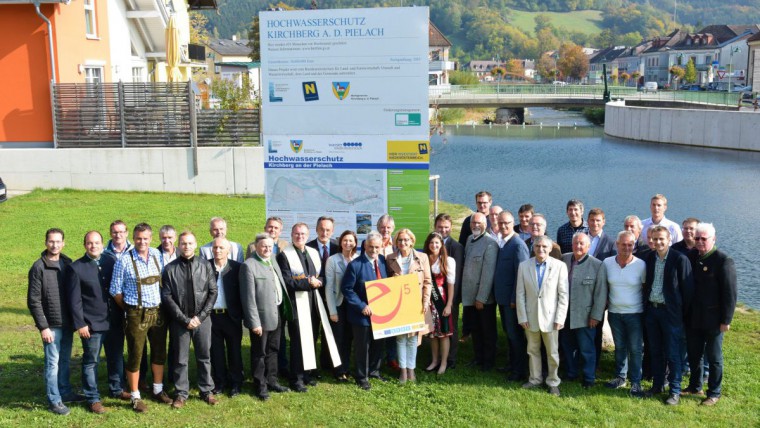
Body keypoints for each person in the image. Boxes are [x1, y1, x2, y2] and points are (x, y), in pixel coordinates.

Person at [109, 223, 170, 413]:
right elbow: (115, 290)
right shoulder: (124, 260)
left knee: (159, 351)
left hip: (158, 311)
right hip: (136, 312)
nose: (142, 242)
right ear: (133, 238)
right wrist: (129, 309)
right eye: (138, 238)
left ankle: (157, 389)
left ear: (151, 238)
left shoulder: (156, 255)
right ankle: (135, 396)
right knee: (136, 354)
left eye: (145, 238)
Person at [161, 231, 218, 408]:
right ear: (178, 245)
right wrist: (184, 319)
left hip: (202, 320)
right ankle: (181, 393)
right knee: (180, 359)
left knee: (204, 356)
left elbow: (213, 292)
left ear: (195, 245)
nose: (186, 246)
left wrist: (200, 317)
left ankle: (206, 390)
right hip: (180, 322)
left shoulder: (205, 266)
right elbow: (167, 296)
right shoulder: (170, 269)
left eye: (190, 243)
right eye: (183, 243)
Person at [64, 231, 117, 414]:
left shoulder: (110, 261)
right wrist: (80, 323)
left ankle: (116, 389)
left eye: (96, 243)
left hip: (113, 320)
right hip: (91, 324)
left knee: (115, 356)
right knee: (90, 361)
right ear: (84, 245)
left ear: (103, 244)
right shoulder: (76, 267)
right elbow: (74, 300)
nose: (93, 246)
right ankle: (92, 398)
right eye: (89, 243)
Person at [684, 223, 737, 406]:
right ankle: (694, 386)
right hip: (693, 317)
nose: (699, 242)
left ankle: (714, 392)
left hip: (713, 320)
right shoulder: (691, 256)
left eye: (703, 239)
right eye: (697, 238)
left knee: (714, 358)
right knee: (694, 354)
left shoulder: (723, 260)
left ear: (713, 239)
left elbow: (730, 293)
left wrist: (726, 320)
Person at [27, 228, 79, 415]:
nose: (54, 245)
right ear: (45, 242)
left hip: (67, 324)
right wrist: (43, 327)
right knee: (52, 363)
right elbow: (33, 300)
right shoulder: (38, 267)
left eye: (58, 241)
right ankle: (54, 400)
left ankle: (64, 392)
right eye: (51, 241)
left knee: (64, 360)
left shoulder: (68, 264)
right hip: (51, 326)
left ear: (63, 243)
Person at [643, 226, 693, 405]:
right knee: (655, 351)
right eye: (655, 239)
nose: (658, 242)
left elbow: (687, 292)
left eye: (661, 239)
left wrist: (680, 314)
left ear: (669, 239)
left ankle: (675, 391)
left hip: (671, 314)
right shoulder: (649, 258)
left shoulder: (680, 259)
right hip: (652, 311)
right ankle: (657, 385)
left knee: (673, 354)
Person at [240, 233, 293, 401]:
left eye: (270, 246)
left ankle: (272, 380)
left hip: (276, 315)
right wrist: (254, 323)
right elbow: (248, 298)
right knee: (260, 353)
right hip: (260, 320)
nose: (267, 249)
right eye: (264, 246)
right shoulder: (249, 266)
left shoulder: (274, 259)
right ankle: (260, 385)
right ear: (256, 246)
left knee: (274, 350)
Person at [516, 235, 569, 397]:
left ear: (550, 248)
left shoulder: (559, 266)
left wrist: (560, 318)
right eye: (538, 246)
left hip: (551, 318)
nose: (541, 249)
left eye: (544, 246)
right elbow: (520, 293)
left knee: (552, 353)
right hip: (530, 317)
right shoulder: (524, 266)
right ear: (533, 247)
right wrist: (522, 316)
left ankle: (553, 381)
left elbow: (563, 294)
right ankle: (535, 379)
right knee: (532, 350)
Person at [276, 223, 323, 393]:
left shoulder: (313, 253)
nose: (299, 236)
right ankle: (296, 378)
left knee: (310, 339)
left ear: (308, 235)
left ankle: (307, 373)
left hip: (313, 304)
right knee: (298, 342)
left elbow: (320, 275)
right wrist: (309, 283)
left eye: (303, 233)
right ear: (291, 234)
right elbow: (287, 282)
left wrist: (320, 282)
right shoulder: (284, 256)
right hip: (296, 304)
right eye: (296, 233)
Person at [341, 232, 389, 390]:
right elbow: (347, 289)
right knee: (363, 346)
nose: (374, 250)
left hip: (381, 313)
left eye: (377, 247)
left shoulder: (382, 261)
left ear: (381, 247)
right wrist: (361, 306)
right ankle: (361, 376)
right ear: (364, 246)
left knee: (378, 344)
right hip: (362, 315)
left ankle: (374, 371)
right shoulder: (355, 265)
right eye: (370, 247)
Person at [560, 233, 607, 388]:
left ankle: (589, 378)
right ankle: (571, 373)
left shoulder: (597, 265)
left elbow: (601, 294)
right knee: (568, 346)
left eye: (582, 244)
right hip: (565, 314)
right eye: (576, 243)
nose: (578, 246)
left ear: (588, 246)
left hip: (585, 316)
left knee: (587, 349)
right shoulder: (564, 259)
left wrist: (596, 315)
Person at [603, 231, 647, 397]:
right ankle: (620, 377)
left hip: (634, 313)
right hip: (614, 313)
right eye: (623, 244)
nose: (627, 248)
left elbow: (644, 288)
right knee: (620, 347)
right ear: (617, 244)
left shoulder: (640, 265)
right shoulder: (607, 263)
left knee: (635, 349)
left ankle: (636, 382)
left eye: (630, 245)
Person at [386, 229, 432, 383]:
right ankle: (403, 370)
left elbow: (427, 282)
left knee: (413, 338)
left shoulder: (422, 258)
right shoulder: (390, 258)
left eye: (406, 240)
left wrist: (425, 302)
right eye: (400, 240)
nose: (403, 243)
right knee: (400, 337)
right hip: (398, 304)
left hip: (416, 303)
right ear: (396, 242)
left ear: (412, 241)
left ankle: (411, 370)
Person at [491, 211, 530, 381]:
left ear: (512, 222)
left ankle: (519, 371)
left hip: (512, 301)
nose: (503, 226)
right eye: (500, 223)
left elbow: (521, 276)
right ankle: (512, 365)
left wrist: (515, 299)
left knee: (515, 336)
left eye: (506, 223)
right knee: (509, 334)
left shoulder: (518, 245)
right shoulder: (503, 242)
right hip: (503, 298)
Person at [461, 213, 499, 371]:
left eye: (479, 222)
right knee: (475, 329)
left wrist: (481, 298)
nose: (475, 225)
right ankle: (478, 357)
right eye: (472, 223)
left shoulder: (491, 243)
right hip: (470, 297)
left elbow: (488, 274)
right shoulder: (470, 239)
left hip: (483, 299)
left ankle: (488, 361)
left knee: (487, 331)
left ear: (486, 223)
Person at [208, 238, 244, 397]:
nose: (218, 250)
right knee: (216, 352)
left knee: (234, 351)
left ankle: (236, 383)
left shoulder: (237, 268)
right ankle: (219, 382)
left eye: (221, 247)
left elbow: (244, 292)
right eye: (215, 247)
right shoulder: (205, 266)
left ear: (228, 250)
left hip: (232, 316)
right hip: (212, 317)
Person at [325, 230, 359, 382]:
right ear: (340, 242)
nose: (347, 243)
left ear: (355, 243)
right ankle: (338, 370)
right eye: (345, 240)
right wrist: (332, 310)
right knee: (338, 338)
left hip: (354, 306)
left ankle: (346, 367)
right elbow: (329, 287)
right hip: (338, 304)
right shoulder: (332, 260)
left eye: (350, 240)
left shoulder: (359, 259)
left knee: (349, 338)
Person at [306, 216, 340, 373]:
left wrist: (322, 280)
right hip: (312, 297)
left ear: (332, 231)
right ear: (316, 229)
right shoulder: (307, 247)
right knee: (311, 332)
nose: (324, 232)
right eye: (321, 229)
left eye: (328, 230)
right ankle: (311, 367)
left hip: (331, 298)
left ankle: (327, 364)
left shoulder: (338, 247)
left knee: (330, 333)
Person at [422, 232, 456, 375]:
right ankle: (434, 361)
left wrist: (448, 305)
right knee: (432, 334)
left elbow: (450, 285)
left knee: (444, 333)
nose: (434, 245)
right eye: (431, 243)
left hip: (441, 301)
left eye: (437, 243)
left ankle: (444, 362)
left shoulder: (448, 261)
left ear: (441, 244)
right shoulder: (424, 259)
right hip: (428, 301)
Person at [435, 213, 464, 369]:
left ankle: (451, 358)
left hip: (450, 296)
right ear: (435, 227)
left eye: (446, 227)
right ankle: (437, 356)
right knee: (437, 325)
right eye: (440, 227)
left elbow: (457, 276)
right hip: (435, 294)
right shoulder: (431, 244)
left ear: (451, 228)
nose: (443, 230)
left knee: (450, 327)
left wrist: (452, 300)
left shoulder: (457, 247)